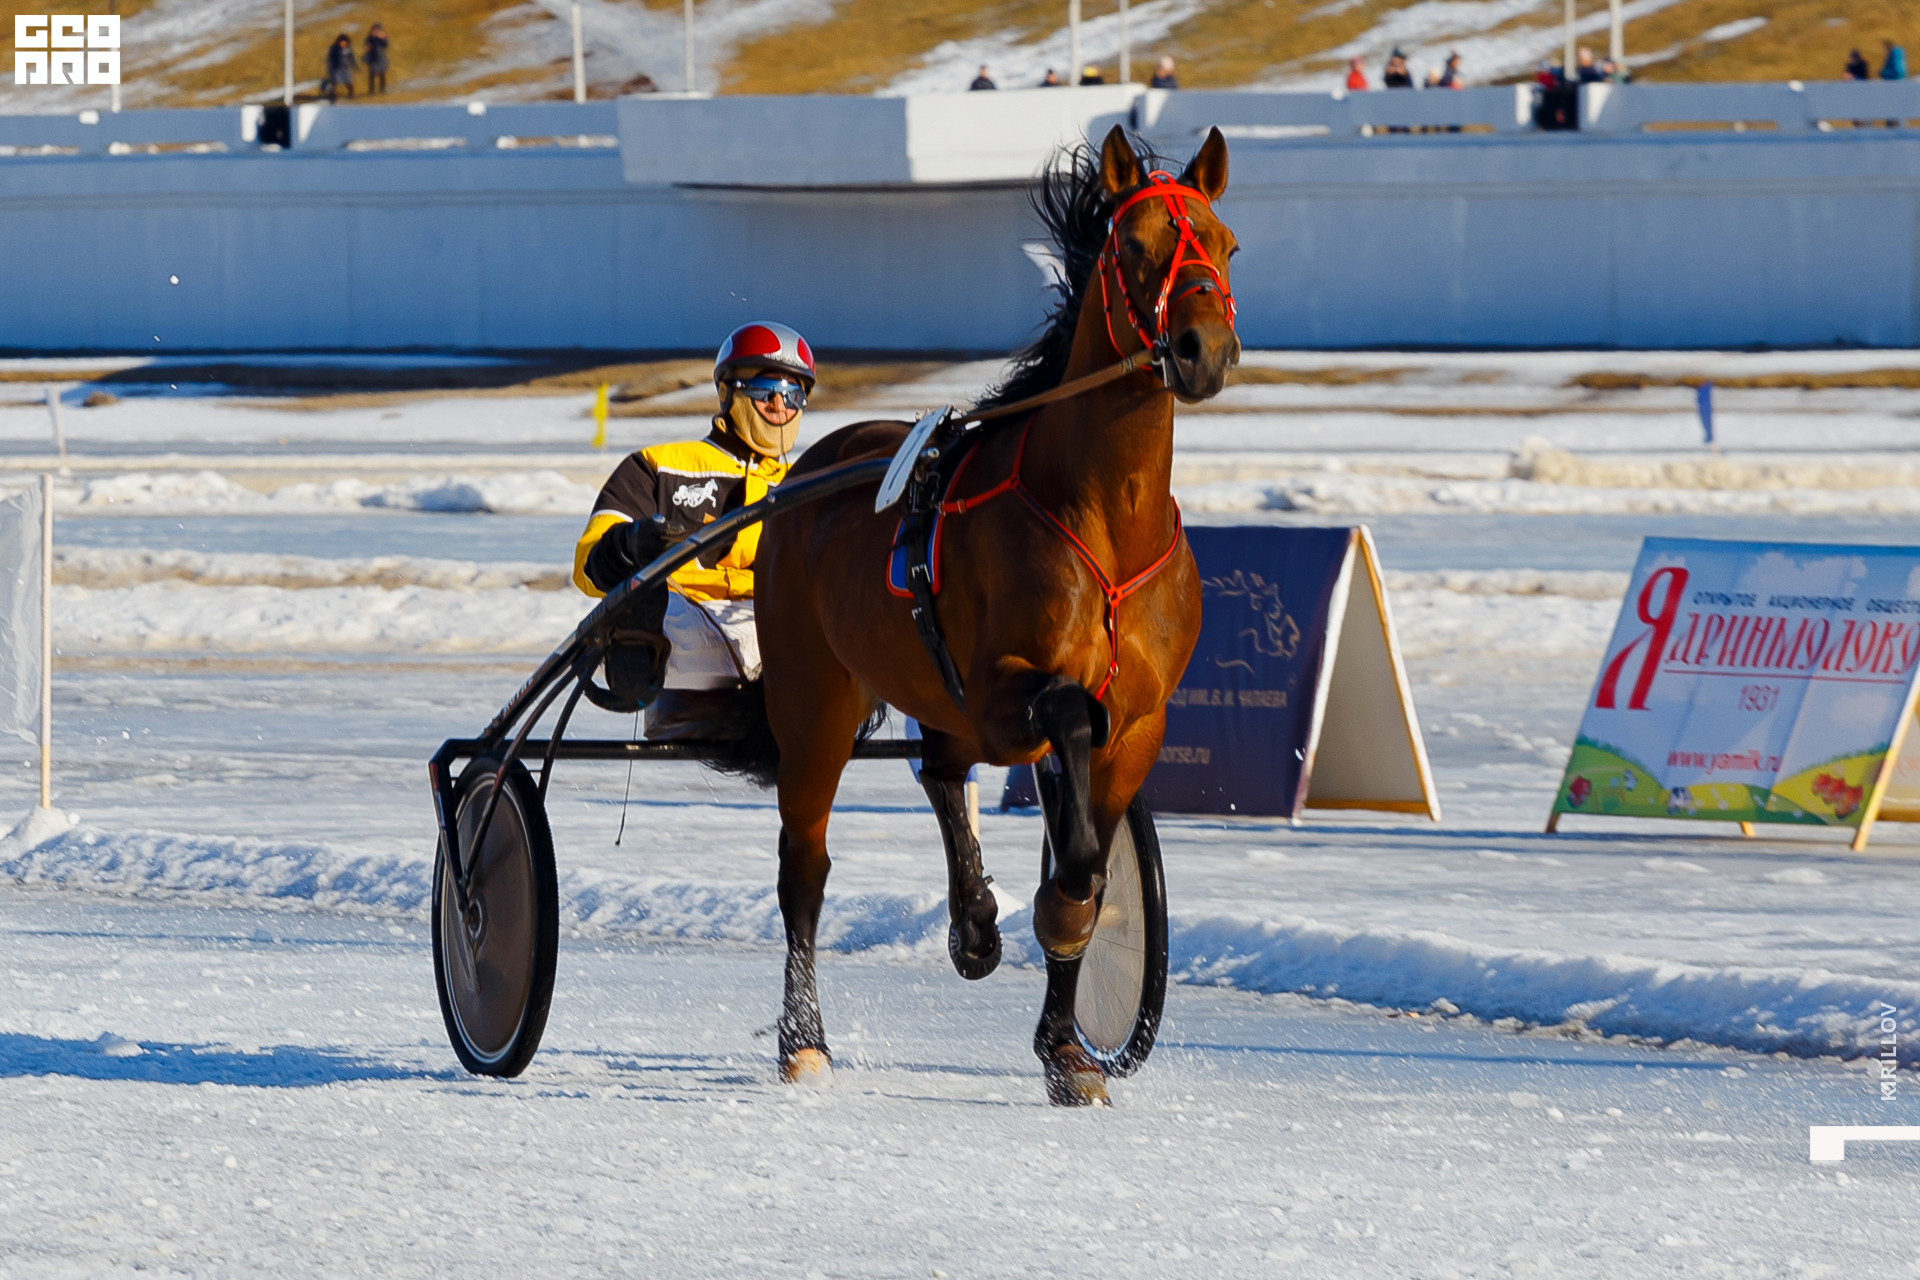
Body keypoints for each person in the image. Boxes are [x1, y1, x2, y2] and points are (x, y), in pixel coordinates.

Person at [572, 321, 813, 738]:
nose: (780, 405)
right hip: (682, 628)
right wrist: (629, 545)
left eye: (794, 394)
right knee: (660, 607)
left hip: (776, 628)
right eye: (766, 389)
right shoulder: (658, 467)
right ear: (728, 392)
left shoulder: (811, 484)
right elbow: (588, 567)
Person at [322, 33, 357, 102]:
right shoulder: (334, 48)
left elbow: (351, 58)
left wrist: (354, 65)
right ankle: (333, 96)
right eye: (341, 42)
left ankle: (351, 94)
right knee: (334, 82)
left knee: (348, 81)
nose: (342, 43)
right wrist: (330, 68)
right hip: (336, 68)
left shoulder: (348, 49)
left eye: (344, 42)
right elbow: (330, 58)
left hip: (345, 69)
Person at [363, 24, 389, 95]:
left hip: (381, 57)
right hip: (373, 57)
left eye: (378, 30)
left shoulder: (383, 38)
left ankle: (382, 88)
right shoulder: (370, 38)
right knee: (372, 74)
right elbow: (367, 45)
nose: (376, 32)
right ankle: (371, 90)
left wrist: (383, 38)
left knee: (382, 73)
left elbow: (385, 45)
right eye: (374, 30)